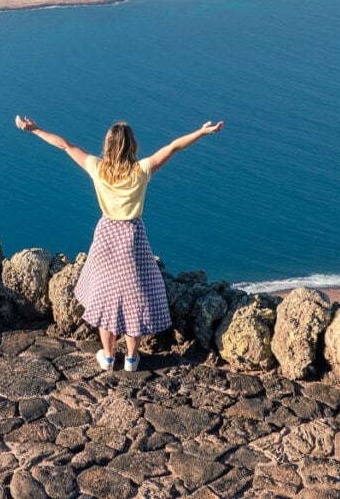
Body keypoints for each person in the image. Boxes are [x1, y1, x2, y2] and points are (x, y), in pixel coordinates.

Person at [15, 114, 223, 372]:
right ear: (132, 146)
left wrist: (34, 130)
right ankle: (133, 359)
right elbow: (173, 147)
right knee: (135, 297)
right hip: (133, 238)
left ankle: (110, 356)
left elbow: (66, 145)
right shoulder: (142, 170)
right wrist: (201, 132)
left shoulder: (97, 168)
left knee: (106, 298)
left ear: (108, 147)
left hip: (106, 237)